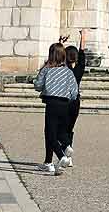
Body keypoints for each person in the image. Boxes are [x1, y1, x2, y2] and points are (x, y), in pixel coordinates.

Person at [32, 42, 79, 175]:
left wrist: (41, 79)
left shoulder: (47, 69)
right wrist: (68, 97)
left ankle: (62, 156)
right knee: (60, 131)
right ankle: (65, 146)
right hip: (65, 105)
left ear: (51, 55)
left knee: (50, 133)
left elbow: (38, 85)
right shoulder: (68, 71)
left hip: (52, 103)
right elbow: (74, 91)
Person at [62, 30, 86, 159]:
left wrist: (61, 42)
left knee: (61, 128)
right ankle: (68, 156)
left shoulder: (64, 68)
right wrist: (83, 36)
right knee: (70, 128)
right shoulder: (79, 70)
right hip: (76, 101)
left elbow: (57, 55)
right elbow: (82, 52)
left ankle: (66, 148)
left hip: (64, 100)